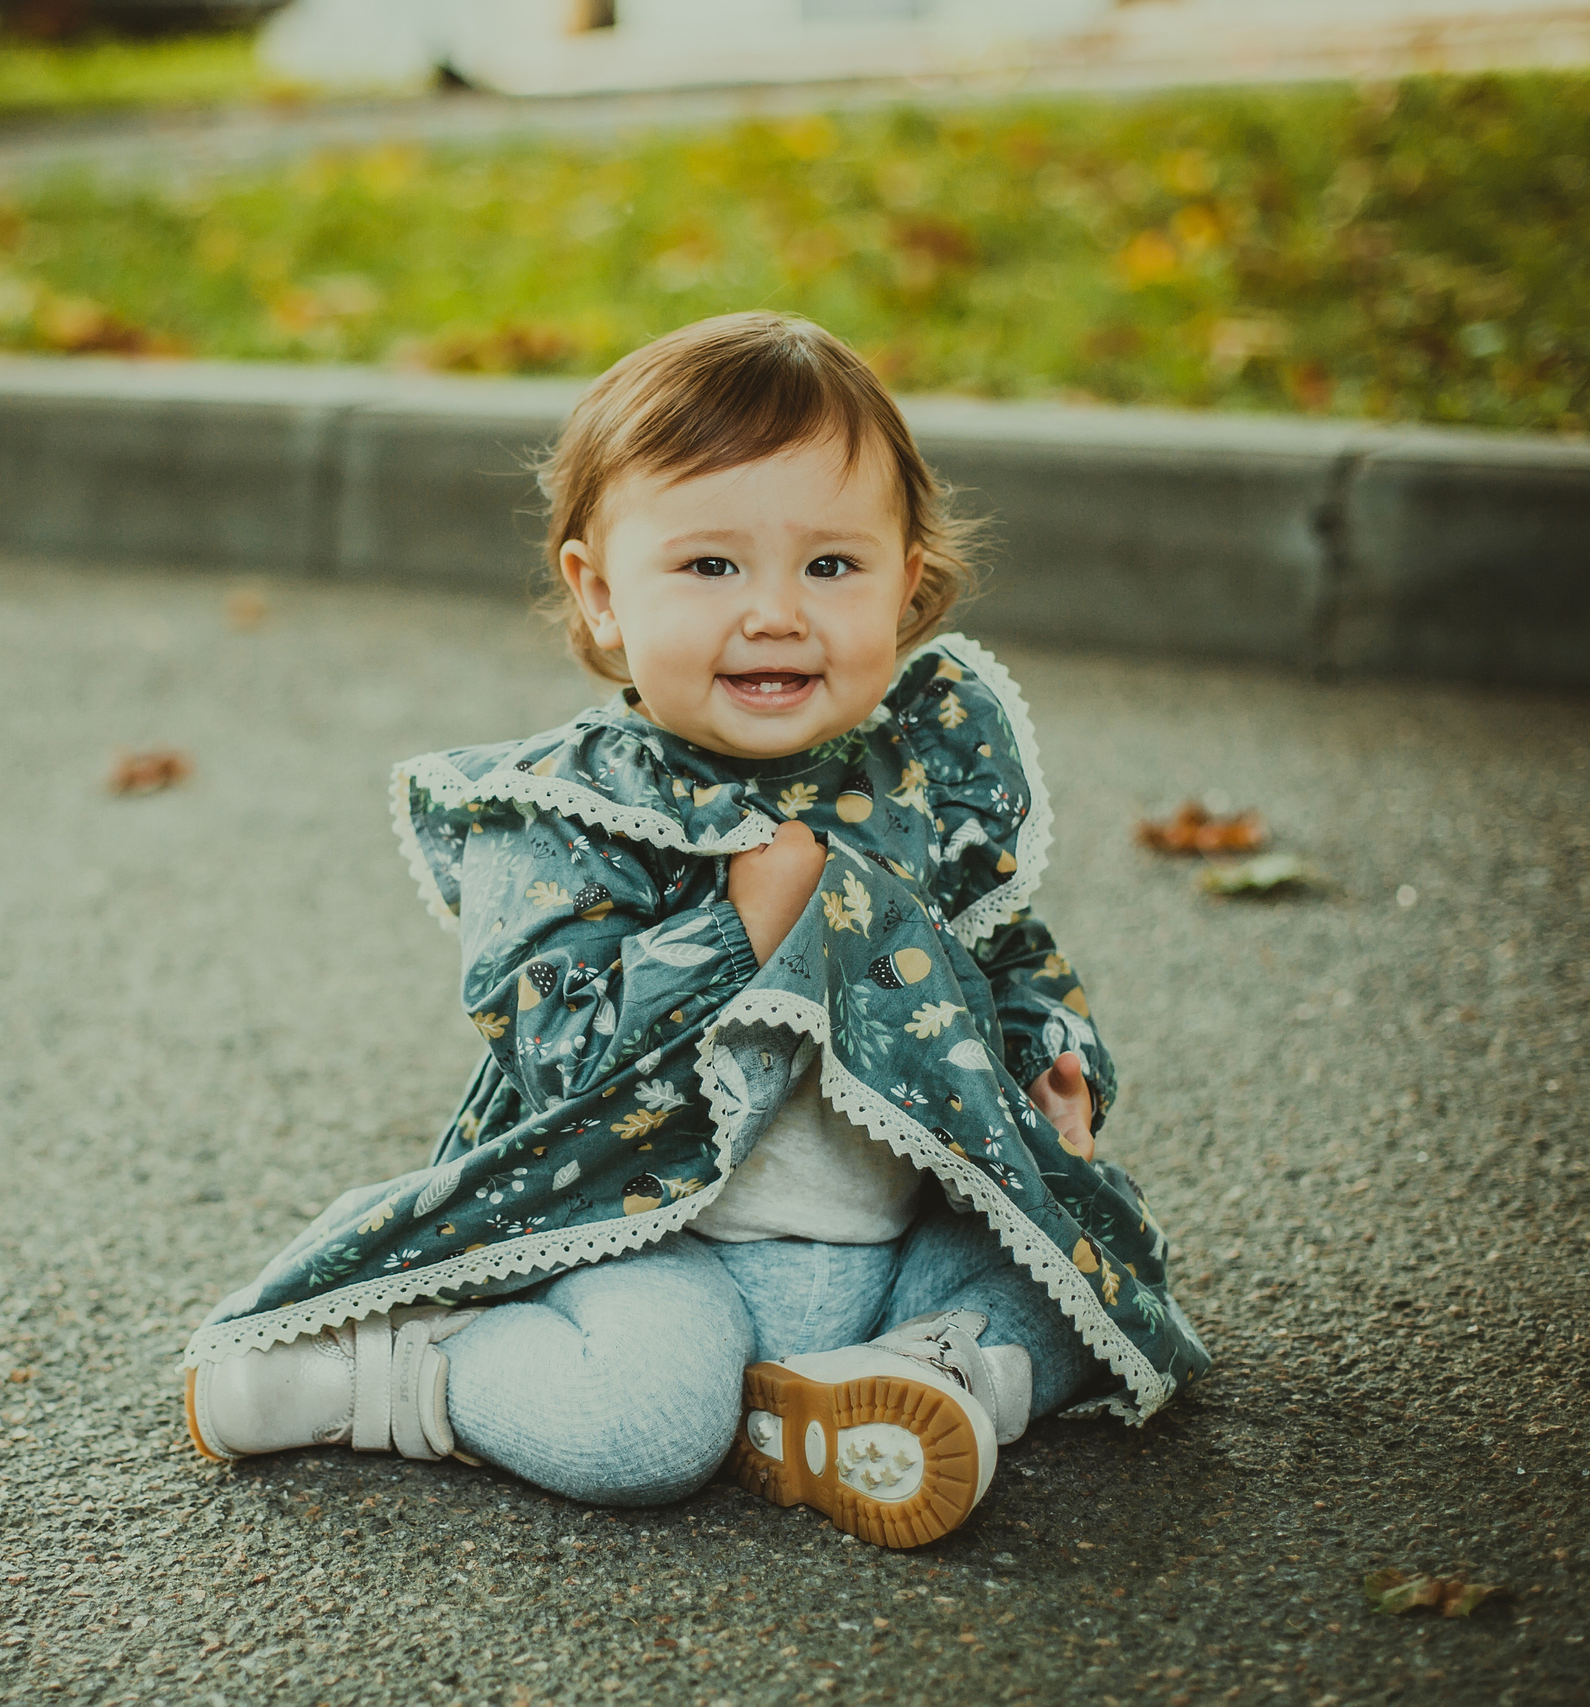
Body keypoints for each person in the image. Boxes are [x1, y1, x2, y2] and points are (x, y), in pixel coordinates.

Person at [182, 312, 1210, 1548]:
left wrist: (1059, 1063)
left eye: (831, 567)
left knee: (1069, 1284)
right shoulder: (575, 808)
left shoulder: (924, 782)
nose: (775, 613)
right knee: (643, 1428)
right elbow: (550, 1045)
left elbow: (1009, 955)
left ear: (910, 585)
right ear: (602, 596)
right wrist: (732, 927)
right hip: (650, 1237)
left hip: (897, 1242)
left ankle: (910, 1376)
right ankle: (412, 1376)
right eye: (711, 567)